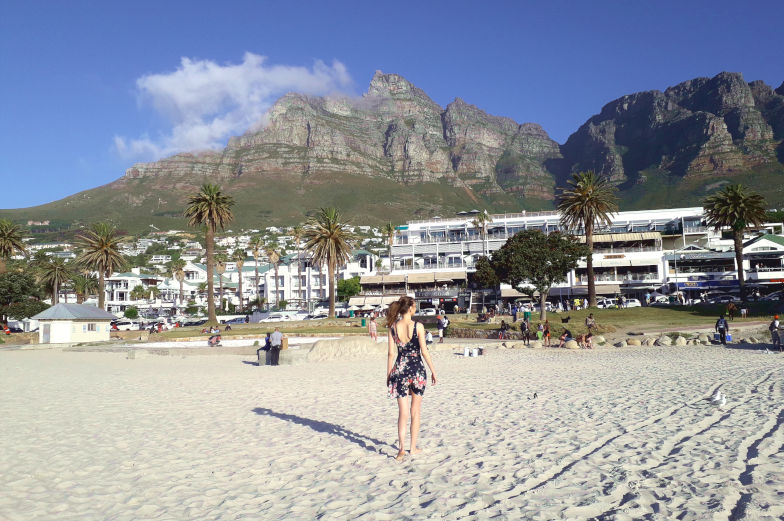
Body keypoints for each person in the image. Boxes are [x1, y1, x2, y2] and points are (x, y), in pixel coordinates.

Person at [386, 296, 438, 462]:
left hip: (399, 371)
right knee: (415, 412)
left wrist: (388, 374)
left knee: (403, 413)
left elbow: (391, 353)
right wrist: (433, 371)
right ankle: (413, 448)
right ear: (410, 309)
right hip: (417, 370)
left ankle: (401, 449)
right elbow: (424, 351)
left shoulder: (393, 327)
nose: (415, 308)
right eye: (414, 306)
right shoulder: (418, 326)